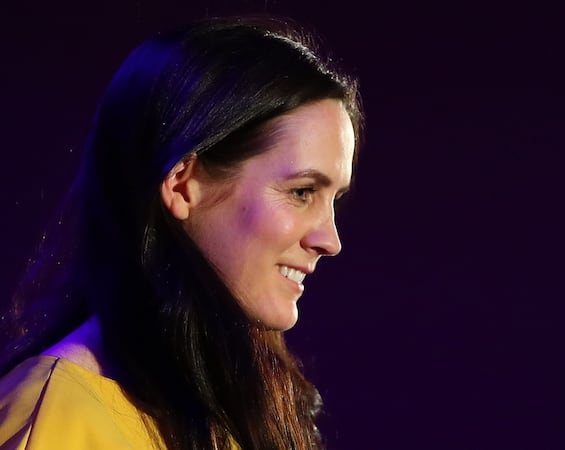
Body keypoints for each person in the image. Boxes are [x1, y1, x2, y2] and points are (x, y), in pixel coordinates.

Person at [0, 15, 362, 450]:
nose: (331, 240)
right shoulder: (62, 414)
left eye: (334, 199)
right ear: (182, 184)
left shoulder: (230, 407)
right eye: (302, 192)